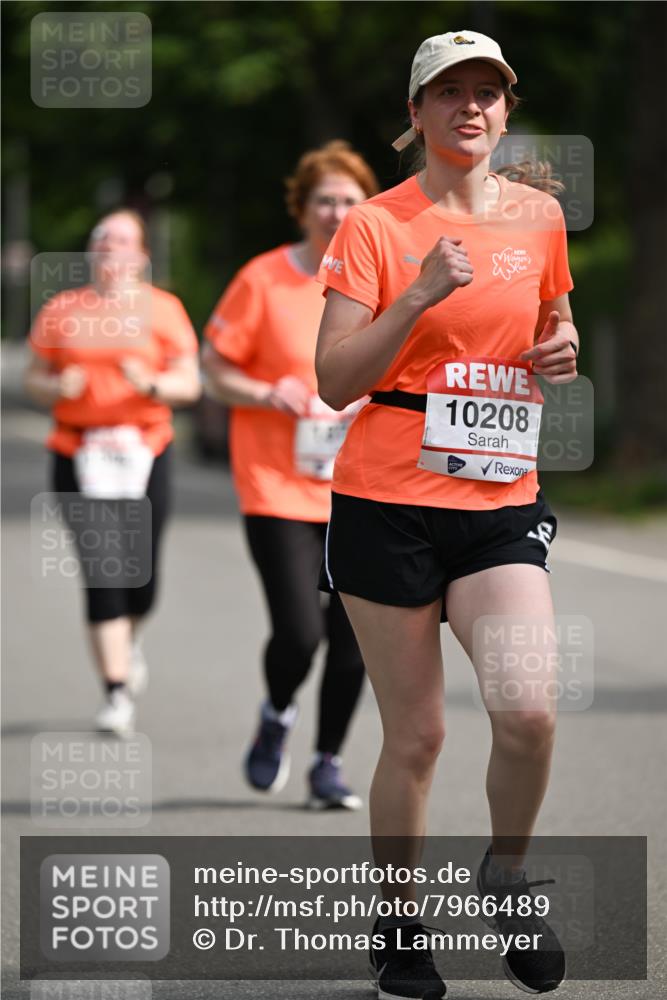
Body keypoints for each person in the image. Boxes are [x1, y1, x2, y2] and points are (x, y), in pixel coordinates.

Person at [316, 32, 578, 998]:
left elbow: (552, 324)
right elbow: (334, 379)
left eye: (487, 93)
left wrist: (562, 347)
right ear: (417, 113)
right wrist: (418, 294)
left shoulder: (541, 217)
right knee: (417, 735)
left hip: (498, 499)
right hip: (385, 502)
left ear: (505, 111)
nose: (470, 108)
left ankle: (505, 878)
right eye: (449, 93)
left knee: (529, 710)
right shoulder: (377, 226)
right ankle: (397, 926)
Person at [202, 141, 379, 809]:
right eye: (325, 200)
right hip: (276, 484)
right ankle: (277, 710)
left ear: (366, 210)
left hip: (361, 485)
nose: (337, 212)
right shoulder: (263, 278)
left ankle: (327, 762)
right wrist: (262, 391)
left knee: (356, 637)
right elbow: (212, 365)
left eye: (349, 200)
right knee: (301, 632)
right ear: (302, 208)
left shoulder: (381, 280)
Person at [25, 209, 200, 736]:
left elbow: (189, 384)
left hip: (146, 449)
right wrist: (55, 389)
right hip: (78, 452)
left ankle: (129, 636)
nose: (110, 248)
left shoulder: (164, 310)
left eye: (122, 240)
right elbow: (34, 376)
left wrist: (151, 384)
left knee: (140, 579)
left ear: (141, 256)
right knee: (102, 572)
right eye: (101, 239)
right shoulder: (62, 309)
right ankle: (116, 691)